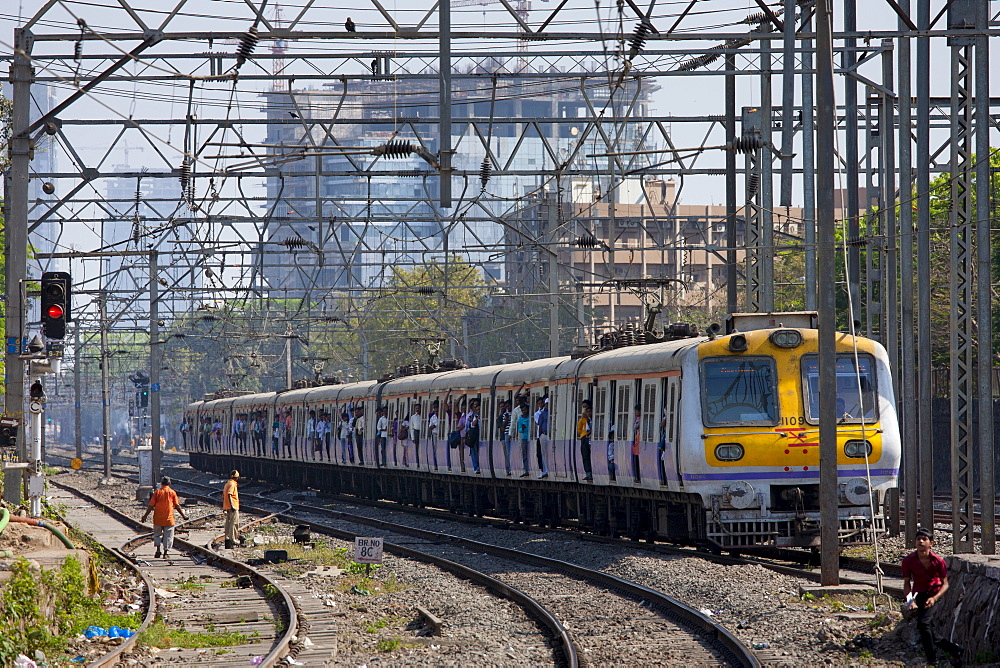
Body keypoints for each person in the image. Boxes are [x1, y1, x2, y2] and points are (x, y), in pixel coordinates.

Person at [902, 527, 962, 664]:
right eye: (918, 539)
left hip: (936, 595)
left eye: (924, 539)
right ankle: (954, 649)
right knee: (926, 628)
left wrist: (935, 598)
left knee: (923, 624)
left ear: (931, 543)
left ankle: (932, 660)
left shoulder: (938, 561)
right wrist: (910, 601)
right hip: (920, 595)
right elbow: (906, 583)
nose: (921, 542)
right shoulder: (908, 561)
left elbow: (945, 584)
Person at [141, 476, 188, 558]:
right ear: (169, 484)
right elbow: (177, 505)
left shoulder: (157, 492)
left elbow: (151, 506)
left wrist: (145, 516)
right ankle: (166, 553)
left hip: (157, 519)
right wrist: (183, 516)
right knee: (168, 536)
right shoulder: (172, 492)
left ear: (161, 484)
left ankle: (158, 550)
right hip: (169, 519)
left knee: (157, 535)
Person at [222, 470, 241, 549]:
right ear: (236, 477)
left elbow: (224, 496)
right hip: (233, 507)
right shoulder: (232, 484)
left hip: (227, 506)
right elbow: (229, 494)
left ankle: (227, 538)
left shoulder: (227, 483)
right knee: (234, 523)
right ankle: (233, 539)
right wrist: (232, 505)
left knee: (228, 524)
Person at [534, 397, 549, 479]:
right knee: (542, 453)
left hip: (550, 435)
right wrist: (540, 436)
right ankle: (544, 470)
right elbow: (539, 425)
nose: (545, 405)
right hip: (543, 434)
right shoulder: (540, 414)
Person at [578, 400, 593, 481]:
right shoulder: (583, 418)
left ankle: (591, 473)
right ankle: (588, 473)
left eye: (586, 406)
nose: (585, 409)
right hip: (584, 437)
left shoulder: (592, 418)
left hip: (590, 438)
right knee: (585, 455)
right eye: (583, 407)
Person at [516, 398, 531, 477]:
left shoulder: (530, 417)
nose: (524, 411)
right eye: (522, 410)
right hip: (524, 437)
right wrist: (522, 428)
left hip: (531, 437)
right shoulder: (520, 419)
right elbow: (519, 429)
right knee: (524, 454)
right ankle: (526, 469)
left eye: (525, 410)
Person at [466, 398, 482, 474]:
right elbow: (472, 424)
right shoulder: (473, 415)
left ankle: (478, 466)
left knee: (476, 451)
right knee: (473, 451)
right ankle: (476, 467)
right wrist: (477, 419)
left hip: (479, 434)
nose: (478, 411)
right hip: (473, 435)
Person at [498, 399, 512, 476]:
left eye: (506, 406)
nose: (505, 408)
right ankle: (508, 469)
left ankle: (510, 468)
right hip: (506, 435)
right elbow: (502, 427)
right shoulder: (503, 416)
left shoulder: (514, 413)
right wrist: (506, 419)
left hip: (512, 435)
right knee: (507, 452)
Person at [427, 401, 440, 471]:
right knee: (435, 449)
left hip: (441, 435)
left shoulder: (442, 416)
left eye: (437, 411)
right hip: (435, 434)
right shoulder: (432, 417)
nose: (436, 412)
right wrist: (434, 426)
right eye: (435, 411)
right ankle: (436, 464)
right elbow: (430, 427)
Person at [409, 403, 422, 468]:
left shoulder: (423, 416)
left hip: (422, 432)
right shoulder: (413, 417)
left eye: (418, 408)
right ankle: (418, 462)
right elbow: (411, 428)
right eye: (416, 408)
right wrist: (413, 438)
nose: (417, 409)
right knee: (417, 448)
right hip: (416, 432)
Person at [632, 404, 642, 484]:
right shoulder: (638, 419)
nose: (635, 412)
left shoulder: (639, 419)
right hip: (637, 441)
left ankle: (638, 476)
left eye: (636, 411)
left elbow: (635, 427)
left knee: (637, 459)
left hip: (638, 441)